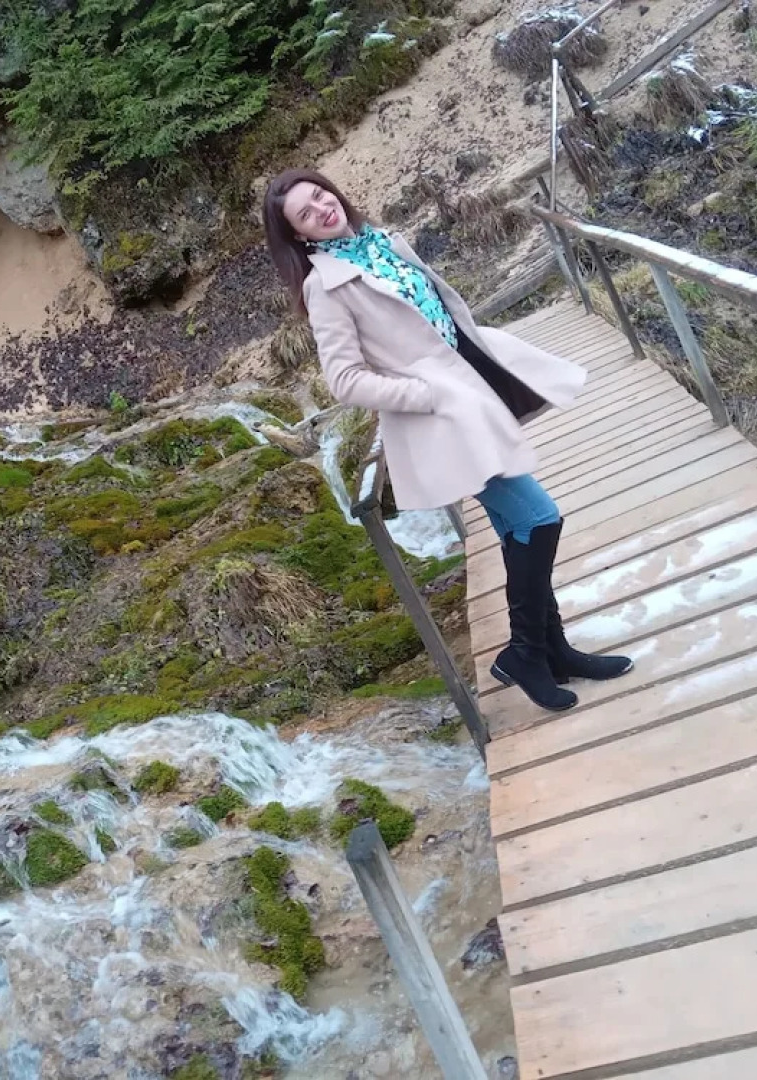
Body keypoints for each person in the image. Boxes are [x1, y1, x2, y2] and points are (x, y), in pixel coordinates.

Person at [262, 167, 632, 712]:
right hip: (440, 421)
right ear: (299, 236)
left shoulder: (383, 243)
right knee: (538, 518)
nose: (321, 208)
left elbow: (442, 319)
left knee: (518, 531)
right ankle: (524, 653)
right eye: (305, 213)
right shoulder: (325, 287)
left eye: (320, 195)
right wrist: (427, 395)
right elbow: (344, 381)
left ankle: (553, 650)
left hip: (470, 395)